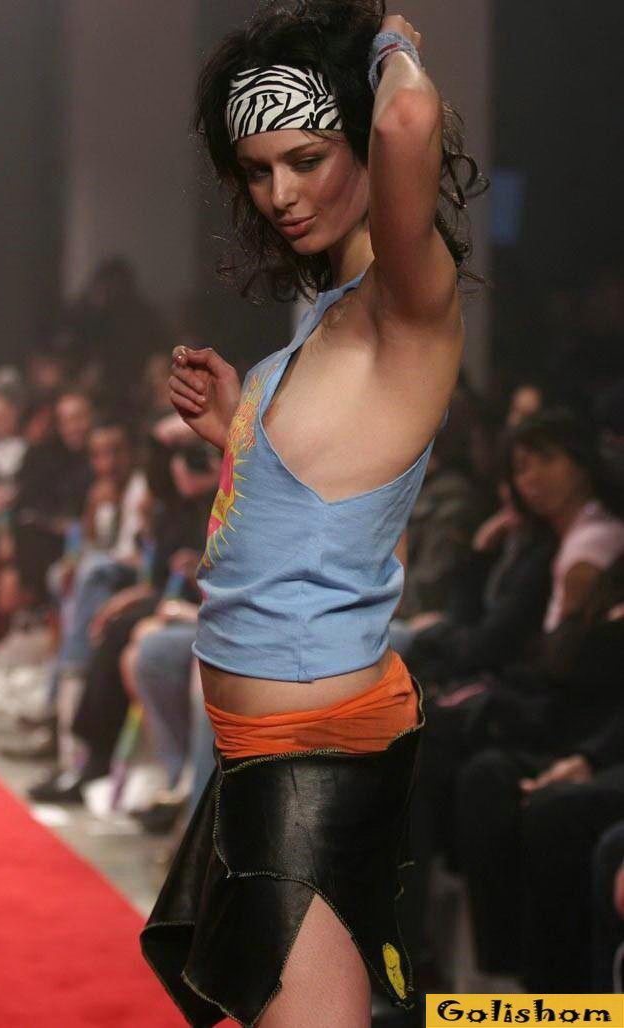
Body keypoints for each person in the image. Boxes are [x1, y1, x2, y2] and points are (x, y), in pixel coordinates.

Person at [140, 4, 488, 1025]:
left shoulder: (405, 300)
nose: (281, 194)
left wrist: (389, 38)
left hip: (315, 760)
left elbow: (408, 123)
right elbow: (320, 499)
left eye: (307, 157)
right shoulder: (324, 322)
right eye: (258, 170)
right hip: (266, 754)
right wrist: (235, 429)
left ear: (358, 142)